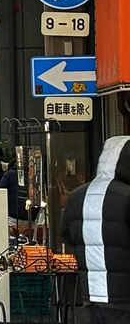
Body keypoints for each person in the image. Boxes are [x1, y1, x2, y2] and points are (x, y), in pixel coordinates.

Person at [62, 136, 130, 323]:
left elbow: (67, 234)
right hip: (125, 294)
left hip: (91, 292)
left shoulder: (77, 196)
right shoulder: (126, 196)